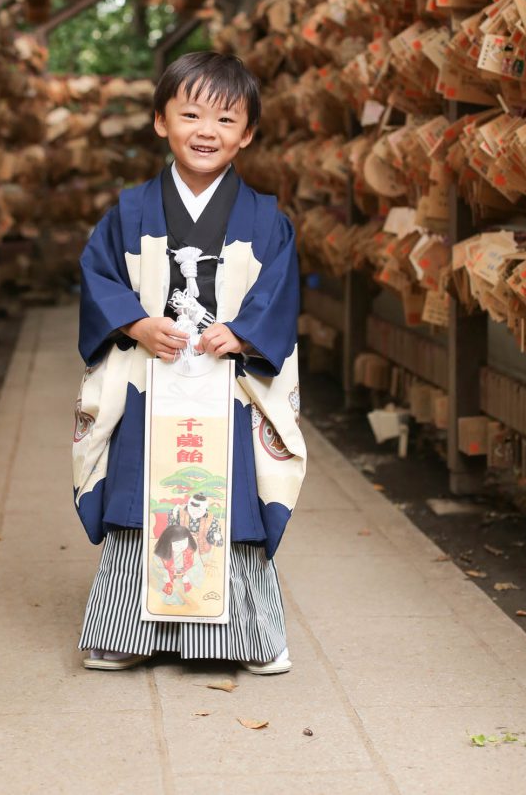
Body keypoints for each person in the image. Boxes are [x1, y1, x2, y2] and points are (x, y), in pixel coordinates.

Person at [73, 51, 306, 674]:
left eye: (226, 119)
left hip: (225, 383)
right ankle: (125, 633)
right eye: (191, 113)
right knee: (139, 491)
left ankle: (249, 637)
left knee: (230, 498)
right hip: (150, 382)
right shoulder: (129, 211)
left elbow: (279, 289)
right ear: (160, 121)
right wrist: (135, 322)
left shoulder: (265, 218)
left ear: (247, 133)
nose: (208, 131)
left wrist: (245, 333)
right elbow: (97, 273)